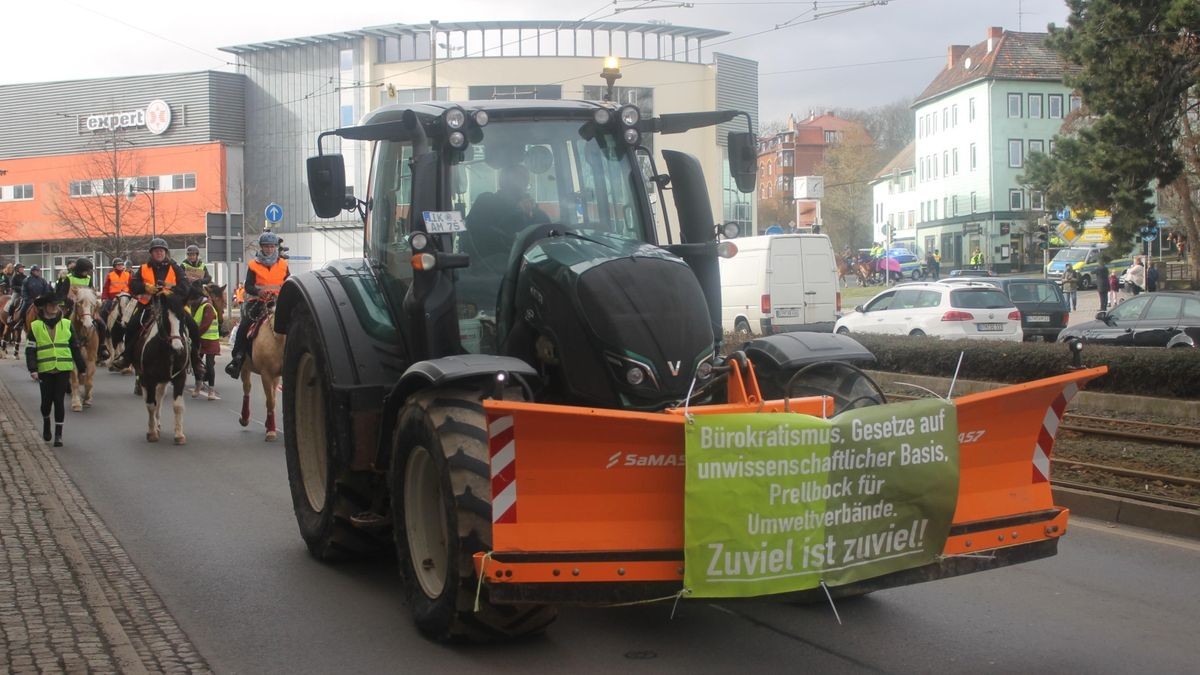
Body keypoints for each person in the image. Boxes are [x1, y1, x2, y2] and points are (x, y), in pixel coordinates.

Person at [110, 238, 202, 374]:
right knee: (131, 326)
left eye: (161, 251)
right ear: (151, 253)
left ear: (166, 252)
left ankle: (196, 361)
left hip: (171, 306)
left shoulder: (175, 268)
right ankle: (126, 357)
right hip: (149, 305)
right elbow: (133, 286)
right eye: (156, 251)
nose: (159, 253)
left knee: (193, 326)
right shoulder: (143, 268)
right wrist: (145, 287)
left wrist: (168, 290)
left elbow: (185, 287)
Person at [26, 293, 87, 447]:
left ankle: (58, 434)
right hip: (45, 369)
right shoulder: (35, 326)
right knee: (46, 402)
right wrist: (33, 369)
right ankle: (47, 421)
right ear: (45, 307)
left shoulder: (66, 324)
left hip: (63, 368)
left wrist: (82, 368)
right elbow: (30, 350)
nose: (55, 307)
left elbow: (74, 347)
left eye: (57, 305)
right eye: (51, 305)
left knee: (59, 400)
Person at [225, 232, 290, 377]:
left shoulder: (283, 265)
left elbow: (288, 283)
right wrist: (259, 292)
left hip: (279, 302)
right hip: (259, 303)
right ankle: (238, 358)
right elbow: (248, 286)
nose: (269, 249)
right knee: (244, 325)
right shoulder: (253, 265)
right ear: (261, 247)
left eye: (272, 246)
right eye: (266, 247)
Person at [186, 284, 222, 400]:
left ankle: (211, 390)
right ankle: (198, 384)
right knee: (196, 363)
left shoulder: (207, 307)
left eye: (191, 300)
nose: (190, 303)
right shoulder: (199, 307)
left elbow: (205, 325)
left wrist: (193, 336)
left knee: (210, 365)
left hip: (210, 340)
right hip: (201, 340)